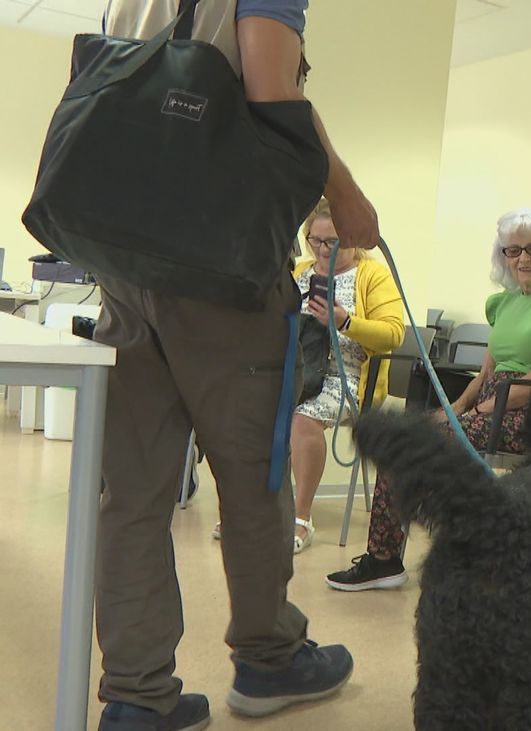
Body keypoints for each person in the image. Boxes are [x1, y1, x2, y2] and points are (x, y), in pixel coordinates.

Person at [93, 2, 380, 729]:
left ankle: (136, 693)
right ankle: (269, 656)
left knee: (132, 489)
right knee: (255, 476)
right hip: (221, 265)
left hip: (125, 260)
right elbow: (269, 84)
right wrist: (344, 193)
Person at [325, 208, 531, 591]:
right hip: (490, 404)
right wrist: (455, 408)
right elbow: (486, 373)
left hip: (530, 411)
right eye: (512, 250)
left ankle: (464, 563)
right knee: (403, 445)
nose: (523, 258)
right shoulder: (504, 302)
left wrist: (486, 407)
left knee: (422, 451)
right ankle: (383, 559)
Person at [210, 200, 405, 552]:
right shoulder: (299, 272)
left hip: (345, 379)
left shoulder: (372, 275)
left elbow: (394, 334)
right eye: (315, 241)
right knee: (249, 417)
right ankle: (250, 512)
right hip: (296, 372)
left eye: (333, 242)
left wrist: (346, 322)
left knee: (303, 418)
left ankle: (300, 519)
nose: (323, 250)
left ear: (352, 240)